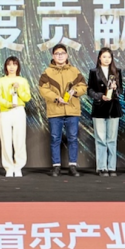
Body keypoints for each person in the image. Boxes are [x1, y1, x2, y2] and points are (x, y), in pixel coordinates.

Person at [38, 44, 87, 177]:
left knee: (72, 138)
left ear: (67, 55)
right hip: (55, 110)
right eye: (57, 54)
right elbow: (43, 89)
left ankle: (72, 166)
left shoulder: (74, 71)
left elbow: (83, 86)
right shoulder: (47, 72)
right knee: (55, 138)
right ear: (53, 56)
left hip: (72, 110)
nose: (60, 56)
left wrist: (74, 91)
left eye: (62, 53)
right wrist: (56, 98)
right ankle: (56, 166)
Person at [0, 56, 32, 177]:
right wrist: (8, 104)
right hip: (5, 112)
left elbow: (27, 97)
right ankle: (8, 167)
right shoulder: (1, 81)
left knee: (19, 140)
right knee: (6, 140)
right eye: (9, 64)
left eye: (14, 64)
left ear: (18, 66)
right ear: (6, 66)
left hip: (19, 111)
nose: (11, 67)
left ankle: (18, 167)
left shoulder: (23, 81)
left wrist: (18, 89)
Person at [87, 48, 123, 177]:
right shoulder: (94, 72)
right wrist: (100, 96)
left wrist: (116, 88)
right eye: (104, 57)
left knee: (112, 139)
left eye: (109, 57)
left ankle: (112, 167)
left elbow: (120, 91)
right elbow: (89, 90)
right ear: (99, 58)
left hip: (113, 108)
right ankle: (102, 167)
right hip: (99, 108)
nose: (107, 59)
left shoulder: (117, 72)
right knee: (101, 139)